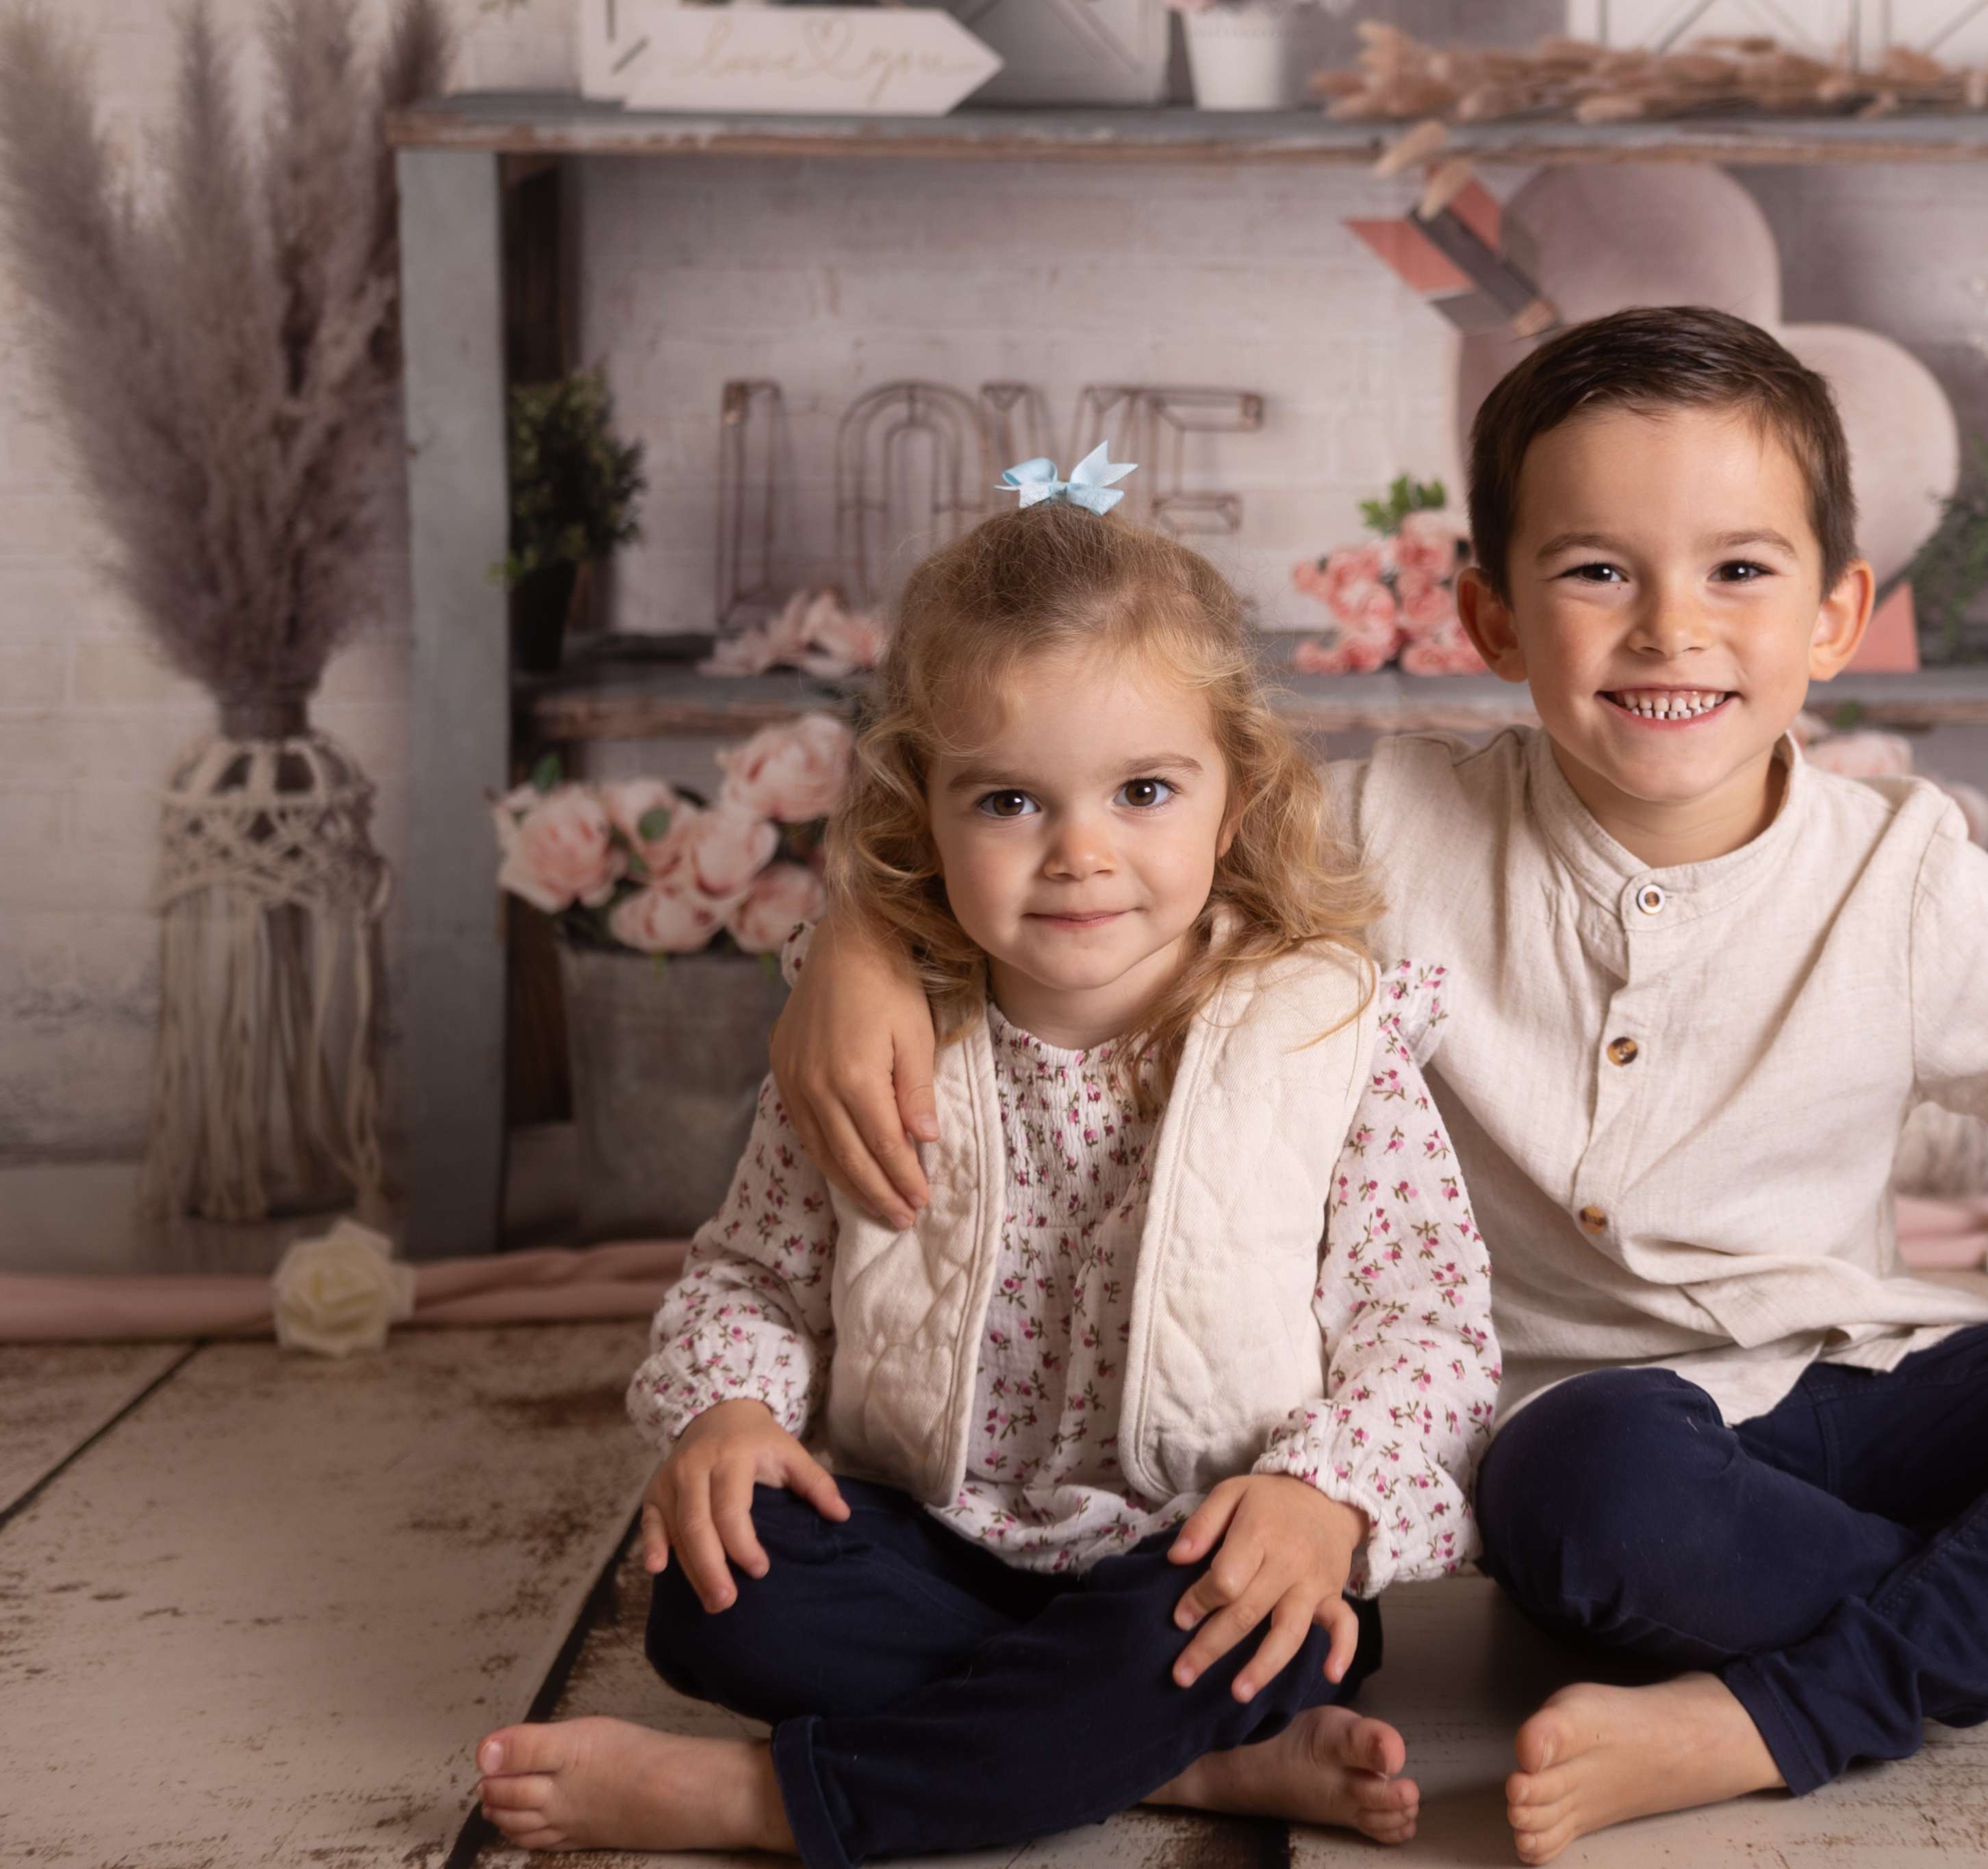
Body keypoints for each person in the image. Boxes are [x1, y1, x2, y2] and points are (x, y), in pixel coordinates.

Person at [769, 308, 1988, 1863]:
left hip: (1861, 1401)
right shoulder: (1379, 826)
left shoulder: (1897, 877)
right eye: (1595, 571)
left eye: (1738, 572)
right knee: (1584, 1479)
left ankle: (1815, 1691)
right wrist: (856, 938)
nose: (1669, 629)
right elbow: (1087, 843)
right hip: (1594, 1477)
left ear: (1833, 616)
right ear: (1487, 619)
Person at [470, 461, 1500, 1865]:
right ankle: (1190, 1768)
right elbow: (755, 1277)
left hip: (1205, 1549)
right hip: (933, 1535)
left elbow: (1428, 1333)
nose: (1080, 853)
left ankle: (757, 1805)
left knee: (1258, 1635)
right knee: (721, 1603)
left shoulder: (1324, 1034)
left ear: (1238, 794)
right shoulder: (882, 1042)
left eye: (1143, 790)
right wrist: (730, 1414)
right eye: (1008, 802)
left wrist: (1325, 1497)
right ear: (925, 809)